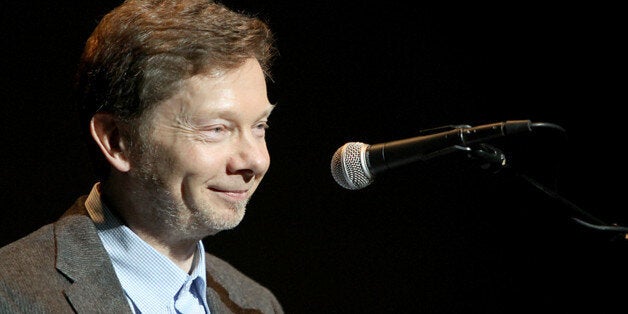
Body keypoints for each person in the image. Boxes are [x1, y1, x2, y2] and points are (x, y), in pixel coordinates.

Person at [0, 0, 284, 312]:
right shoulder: (11, 294)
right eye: (216, 129)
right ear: (117, 140)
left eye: (260, 126)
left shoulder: (257, 303)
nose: (256, 160)